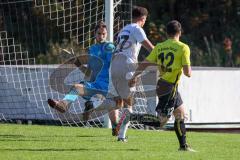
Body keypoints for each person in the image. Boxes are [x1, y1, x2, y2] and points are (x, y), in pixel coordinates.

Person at [85, 6, 154, 142]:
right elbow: (149, 47)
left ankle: (94, 104)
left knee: (116, 102)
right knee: (128, 104)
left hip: (114, 65)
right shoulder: (137, 28)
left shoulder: (124, 29)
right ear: (143, 19)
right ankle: (122, 136)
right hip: (126, 65)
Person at [129, 20, 195, 151]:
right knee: (160, 122)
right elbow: (188, 73)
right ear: (180, 32)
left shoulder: (159, 46)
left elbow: (144, 63)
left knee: (180, 114)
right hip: (169, 87)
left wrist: (134, 76)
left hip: (164, 85)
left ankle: (183, 146)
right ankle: (131, 117)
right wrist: (188, 70)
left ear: (166, 33)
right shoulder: (183, 47)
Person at [47, 21, 119, 136]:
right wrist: (76, 62)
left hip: (108, 85)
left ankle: (115, 126)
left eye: (104, 34)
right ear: (94, 34)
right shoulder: (92, 49)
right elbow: (89, 73)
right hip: (95, 84)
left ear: (106, 34)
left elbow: (115, 64)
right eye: (99, 33)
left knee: (111, 108)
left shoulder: (109, 47)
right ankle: (63, 105)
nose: (101, 36)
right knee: (76, 87)